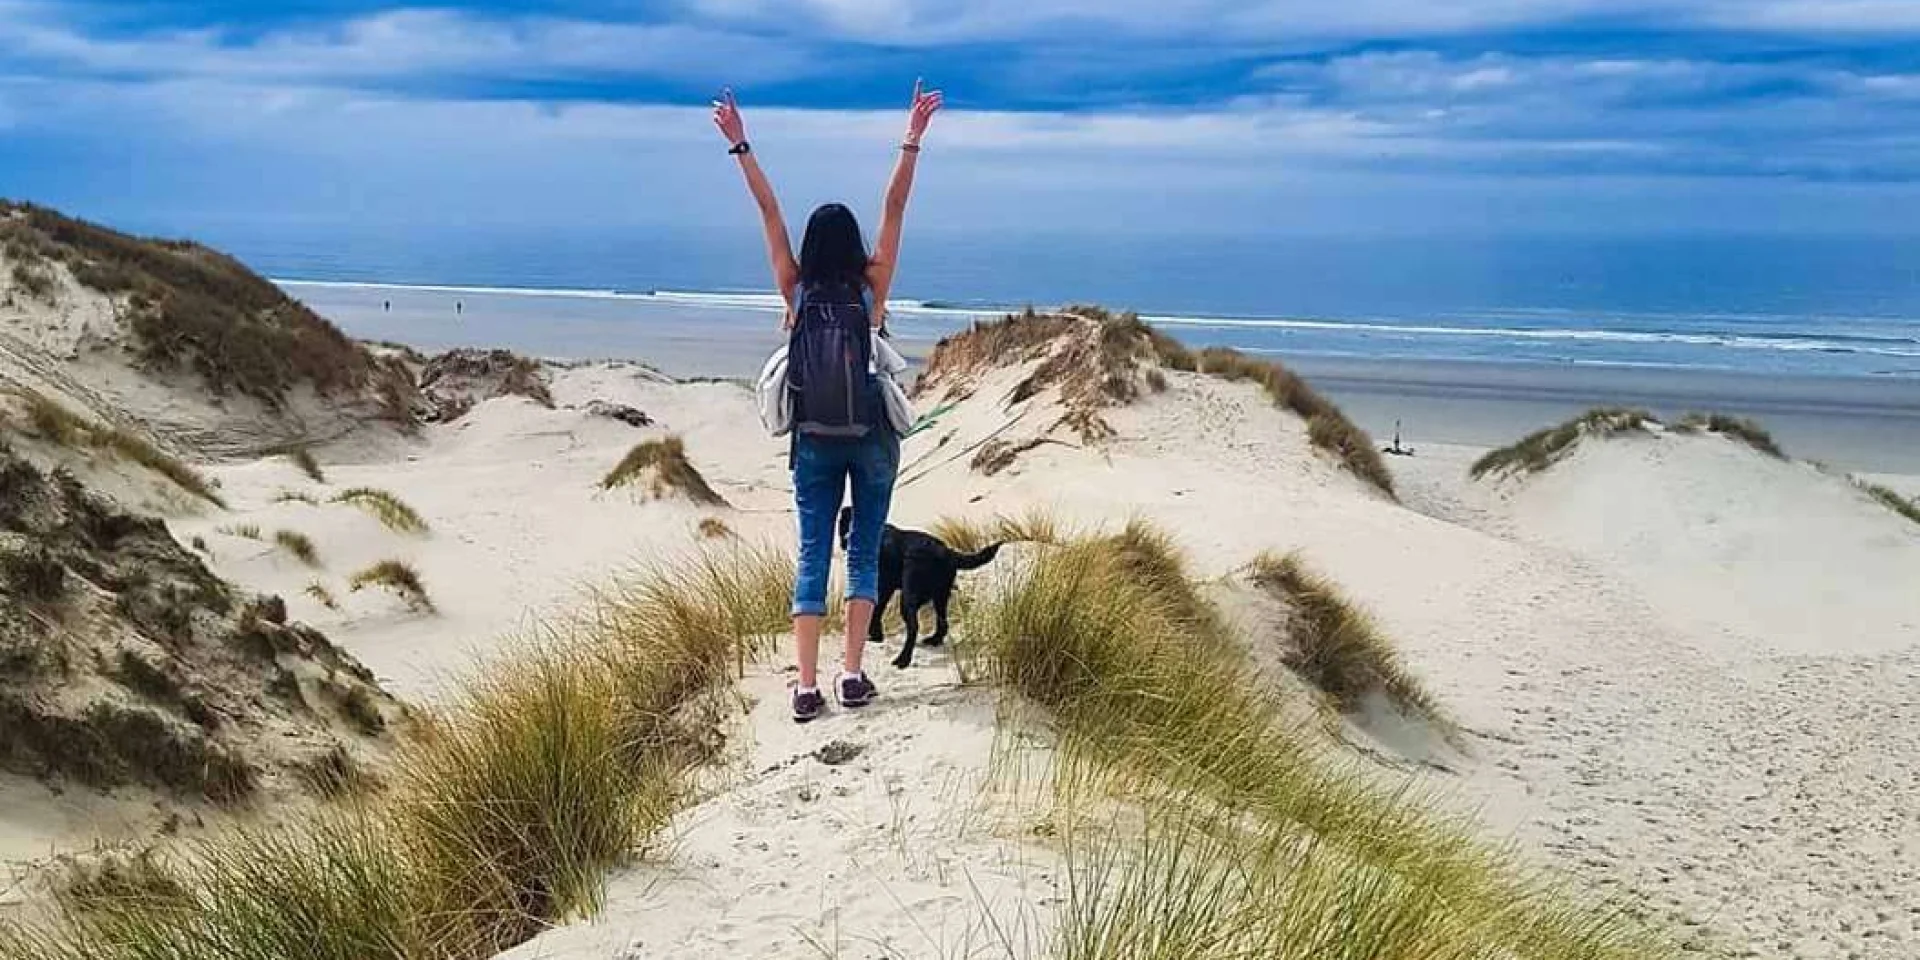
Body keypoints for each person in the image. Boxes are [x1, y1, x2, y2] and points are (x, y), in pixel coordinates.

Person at [713, 81, 942, 722]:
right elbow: (895, 209)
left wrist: (740, 143)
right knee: (864, 551)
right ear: (854, 246)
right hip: (871, 437)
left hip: (811, 437)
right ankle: (850, 676)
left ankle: (806, 688)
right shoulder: (872, 287)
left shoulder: (796, 289)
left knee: (814, 552)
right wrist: (913, 137)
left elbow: (769, 212)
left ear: (812, 249)